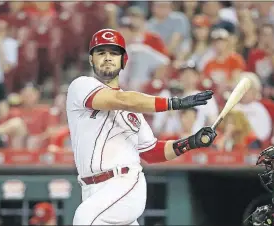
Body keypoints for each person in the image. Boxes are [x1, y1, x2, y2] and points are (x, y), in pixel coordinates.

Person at [67, 28, 217, 225]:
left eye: (114, 53)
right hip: (91, 190)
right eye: (101, 52)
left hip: (125, 183)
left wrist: (190, 142)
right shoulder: (81, 86)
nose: (107, 57)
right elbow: (121, 99)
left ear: (124, 60)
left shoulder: (134, 109)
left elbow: (150, 151)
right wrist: (174, 103)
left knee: (84, 218)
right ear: (91, 60)